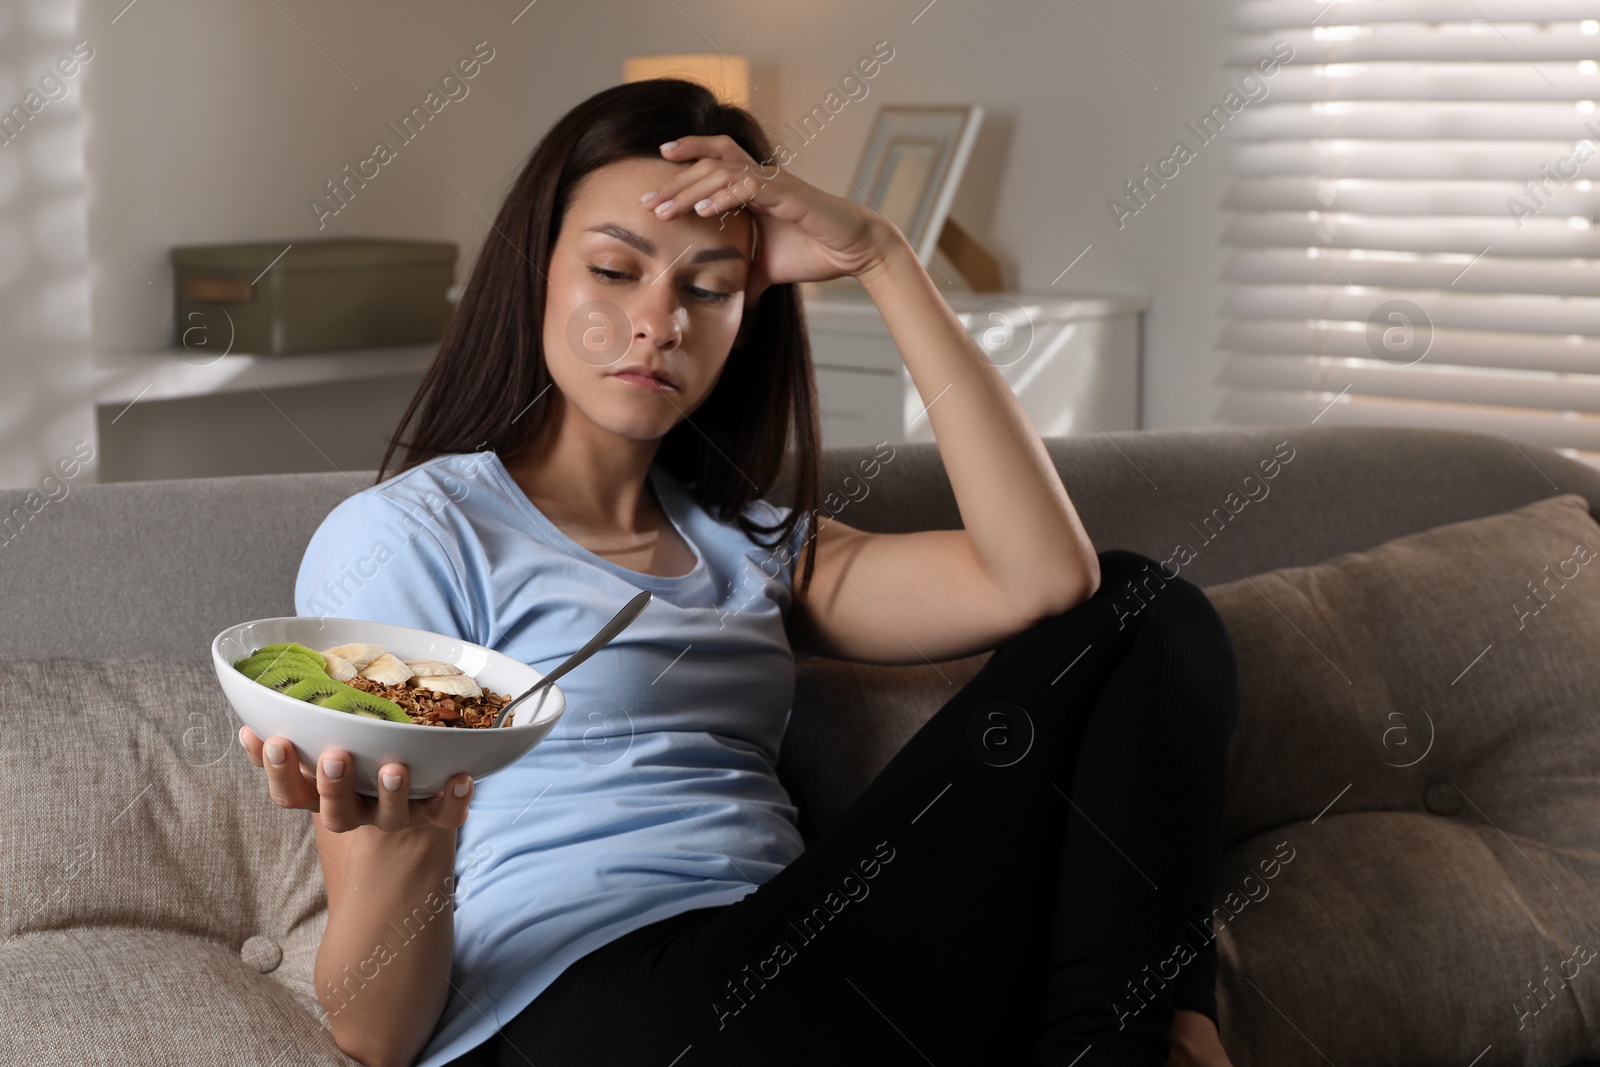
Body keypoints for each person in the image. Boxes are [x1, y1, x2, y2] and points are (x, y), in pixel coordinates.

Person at [238, 78, 1240, 1067]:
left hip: (798, 973)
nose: (659, 321)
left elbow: (1044, 581)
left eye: (708, 287)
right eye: (614, 269)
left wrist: (880, 256)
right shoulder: (411, 536)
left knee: (1146, 605)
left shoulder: (755, 541)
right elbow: (374, 1032)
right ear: (536, 272)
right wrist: (414, 842)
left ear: (745, 316)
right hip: (603, 1002)